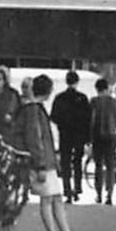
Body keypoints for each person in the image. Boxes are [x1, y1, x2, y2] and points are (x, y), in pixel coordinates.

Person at [20, 74, 83, 231]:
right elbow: (36, 139)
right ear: (48, 91)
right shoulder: (35, 110)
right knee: (50, 199)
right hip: (43, 162)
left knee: (53, 199)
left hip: (45, 162)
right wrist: (40, 164)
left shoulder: (33, 109)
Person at [50, 70, 92, 203]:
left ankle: (67, 189)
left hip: (65, 134)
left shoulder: (60, 98)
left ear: (66, 81)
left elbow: (54, 116)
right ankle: (78, 188)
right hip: (79, 135)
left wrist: (62, 125)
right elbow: (88, 119)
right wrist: (87, 137)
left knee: (65, 162)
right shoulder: (83, 98)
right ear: (77, 82)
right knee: (78, 161)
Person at [88, 77, 116, 203]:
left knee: (98, 166)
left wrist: (89, 138)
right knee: (110, 166)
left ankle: (99, 194)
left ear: (97, 89)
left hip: (97, 137)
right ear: (107, 88)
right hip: (111, 137)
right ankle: (109, 195)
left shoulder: (93, 102)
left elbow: (89, 120)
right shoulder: (115, 102)